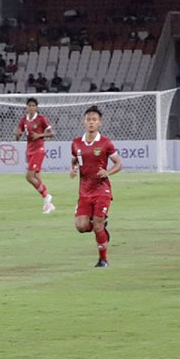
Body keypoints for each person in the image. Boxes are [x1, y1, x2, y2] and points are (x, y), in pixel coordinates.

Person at [70, 106, 123, 268]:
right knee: (81, 226)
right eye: (88, 119)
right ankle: (102, 228)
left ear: (99, 123)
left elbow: (119, 164)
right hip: (84, 190)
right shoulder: (76, 143)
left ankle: (103, 260)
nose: (91, 122)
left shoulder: (105, 143)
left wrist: (108, 172)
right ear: (84, 122)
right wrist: (73, 168)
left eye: (94, 120)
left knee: (97, 225)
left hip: (101, 190)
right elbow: (75, 158)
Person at [13, 97, 56, 213]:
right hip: (29, 150)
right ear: (26, 107)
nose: (31, 108)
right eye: (29, 105)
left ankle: (47, 196)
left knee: (29, 176)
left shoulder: (41, 119)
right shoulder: (23, 120)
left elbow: (52, 134)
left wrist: (39, 135)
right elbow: (17, 137)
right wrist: (17, 134)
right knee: (36, 178)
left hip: (39, 149)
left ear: (36, 107)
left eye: (33, 106)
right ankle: (48, 204)